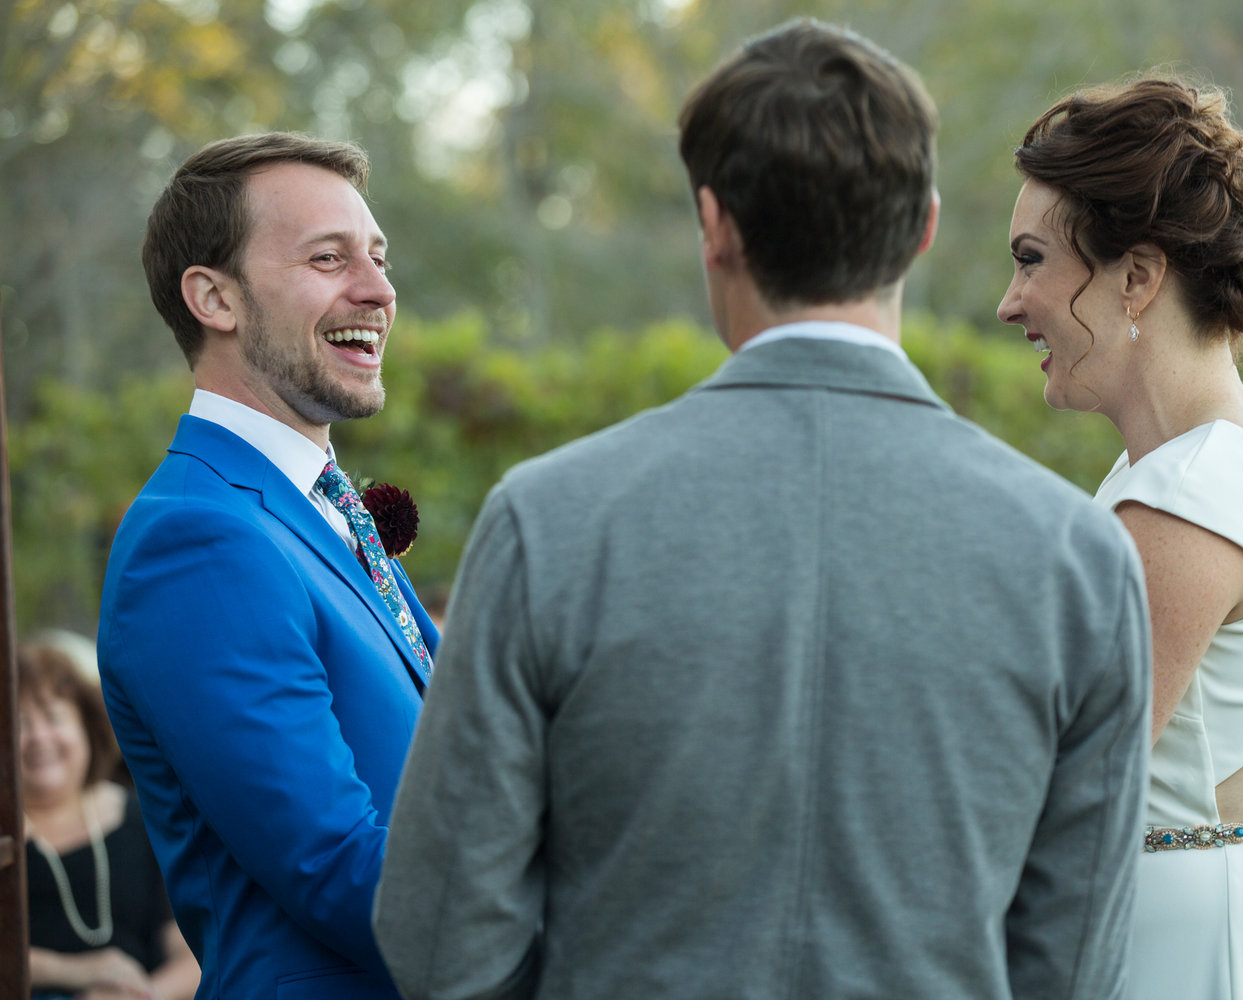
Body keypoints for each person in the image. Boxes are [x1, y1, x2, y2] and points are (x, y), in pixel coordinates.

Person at [374, 19, 1151, 1000]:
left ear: (714, 222)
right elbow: (1076, 964)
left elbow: (442, 939)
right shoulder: (1076, 556)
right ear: (924, 227)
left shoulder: (550, 521)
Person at [997, 76, 1243, 996]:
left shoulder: (1194, 492)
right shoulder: (1195, 473)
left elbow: (1052, 779)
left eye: (1032, 260)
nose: (1010, 300)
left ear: (1138, 276)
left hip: (1187, 958)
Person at [97, 133, 438, 999]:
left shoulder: (312, 505)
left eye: (378, 257)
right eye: (329, 258)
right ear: (214, 296)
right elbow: (342, 873)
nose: (379, 289)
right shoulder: (198, 541)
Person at [21, 641, 200, 1000]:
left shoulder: (143, 819)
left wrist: (140, 995)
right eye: (20, 724)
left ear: (87, 726)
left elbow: (193, 952)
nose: (39, 738)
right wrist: (75, 971)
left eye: (54, 717)